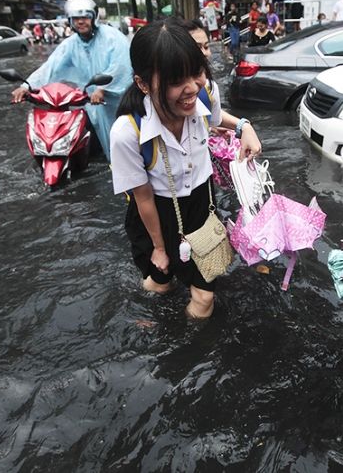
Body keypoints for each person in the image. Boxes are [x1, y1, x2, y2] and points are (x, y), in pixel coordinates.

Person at [109, 21, 262, 318]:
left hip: (201, 207)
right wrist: (159, 248)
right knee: (160, 285)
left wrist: (246, 127)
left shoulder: (207, 93)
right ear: (143, 84)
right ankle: (151, 310)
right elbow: (142, 198)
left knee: (204, 300)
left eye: (196, 72)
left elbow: (218, 120)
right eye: (175, 81)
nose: (192, 88)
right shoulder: (127, 133)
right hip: (157, 214)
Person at [11, 0, 133, 161]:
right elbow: (50, 67)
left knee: (125, 145)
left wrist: (103, 89)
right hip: (92, 103)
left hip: (116, 102)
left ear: (93, 17)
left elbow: (122, 65)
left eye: (84, 17)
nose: (80, 22)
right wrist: (27, 86)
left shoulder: (112, 37)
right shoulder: (70, 44)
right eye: (76, 18)